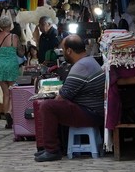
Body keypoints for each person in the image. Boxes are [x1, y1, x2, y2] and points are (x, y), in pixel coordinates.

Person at [33, 34, 105, 162]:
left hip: (90, 113)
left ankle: (52, 150)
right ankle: (52, 147)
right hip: (93, 110)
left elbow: (63, 96)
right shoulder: (89, 61)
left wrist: (55, 99)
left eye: (63, 50)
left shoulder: (81, 66)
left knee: (47, 106)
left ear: (69, 51)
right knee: (51, 105)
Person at [0, 15, 24, 129]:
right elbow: (21, 53)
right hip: (11, 66)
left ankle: (7, 118)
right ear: (10, 26)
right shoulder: (14, 37)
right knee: (13, 92)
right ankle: (12, 114)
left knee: (5, 93)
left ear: (0, 26)